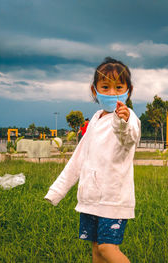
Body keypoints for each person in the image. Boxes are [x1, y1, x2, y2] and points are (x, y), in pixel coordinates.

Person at [44, 57, 141, 263]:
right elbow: (78, 159)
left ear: (128, 90)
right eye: (105, 87)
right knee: (96, 249)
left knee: (107, 248)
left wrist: (122, 121)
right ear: (94, 90)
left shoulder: (128, 117)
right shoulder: (96, 119)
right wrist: (57, 191)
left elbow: (129, 137)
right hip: (90, 200)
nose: (112, 93)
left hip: (113, 199)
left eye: (119, 87)